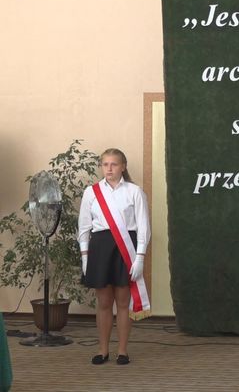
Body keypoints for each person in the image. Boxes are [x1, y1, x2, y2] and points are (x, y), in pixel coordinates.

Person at [78, 148, 150, 365]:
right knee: (103, 302)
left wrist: (140, 257)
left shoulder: (135, 192)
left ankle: (122, 351)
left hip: (125, 250)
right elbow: (83, 227)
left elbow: (144, 227)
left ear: (123, 166)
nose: (109, 168)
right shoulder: (92, 192)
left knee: (122, 301)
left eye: (114, 164)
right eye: (105, 164)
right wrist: (85, 257)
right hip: (100, 249)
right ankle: (102, 350)